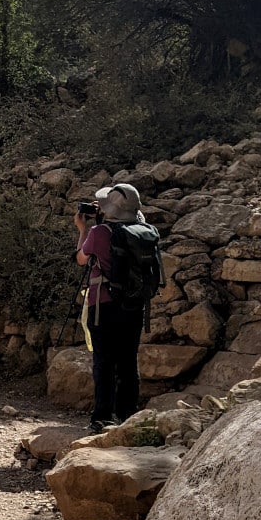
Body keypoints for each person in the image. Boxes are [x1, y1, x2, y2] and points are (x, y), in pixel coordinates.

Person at [74, 182, 147, 433]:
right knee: (128, 361)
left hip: (102, 306)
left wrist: (83, 229)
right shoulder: (144, 230)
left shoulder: (99, 233)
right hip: (134, 305)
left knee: (104, 362)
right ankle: (128, 416)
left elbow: (81, 259)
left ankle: (102, 418)